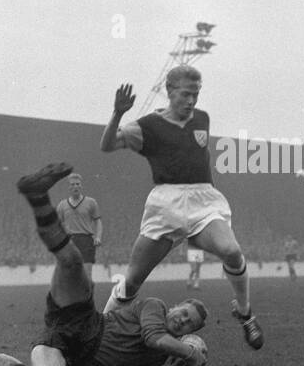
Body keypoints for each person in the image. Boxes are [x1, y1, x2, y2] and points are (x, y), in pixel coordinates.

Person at [0, 162, 208, 366]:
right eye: (184, 313)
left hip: (72, 355)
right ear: (175, 307)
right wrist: (190, 354)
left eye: (188, 324)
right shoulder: (154, 308)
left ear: (188, 333)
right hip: (84, 321)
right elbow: (153, 338)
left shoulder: (158, 358)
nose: (182, 321)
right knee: (72, 261)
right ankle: (37, 195)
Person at [99, 68, 263, 349]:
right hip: (166, 204)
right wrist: (117, 114)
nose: (192, 101)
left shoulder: (202, 119)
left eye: (196, 94)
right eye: (186, 94)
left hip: (203, 199)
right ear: (170, 90)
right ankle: (97, 331)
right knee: (133, 281)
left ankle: (246, 313)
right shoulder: (147, 126)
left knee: (232, 251)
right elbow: (108, 145)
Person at [55, 173, 103, 269]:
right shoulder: (62, 205)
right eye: (72, 184)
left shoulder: (91, 202)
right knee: (70, 274)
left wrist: (98, 237)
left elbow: (98, 221)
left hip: (86, 240)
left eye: (77, 184)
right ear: (69, 187)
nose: (75, 186)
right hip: (70, 242)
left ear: (81, 186)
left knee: (87, 273)